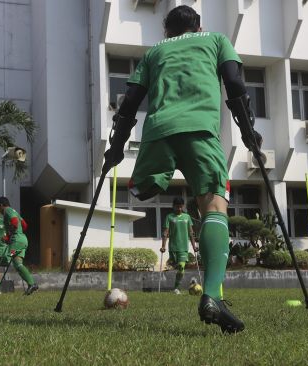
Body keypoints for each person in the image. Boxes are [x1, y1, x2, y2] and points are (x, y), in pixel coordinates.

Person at [103, 5, 259, 333]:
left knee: (148, 184)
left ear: (166, 31)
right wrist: (248, 131)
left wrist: (116, 148)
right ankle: (213, 295)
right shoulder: (216, 40)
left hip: (157, 135)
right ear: (198, 25)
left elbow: (129, 102)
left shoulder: (155, 51)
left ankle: (147, 182)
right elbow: (233, 82)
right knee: (214, 205)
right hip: (199, 131)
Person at [0, 197, 38, 296]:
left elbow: (14, 222)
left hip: (17, 241)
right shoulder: (15, 211)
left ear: (1, 205)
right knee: (18, 264)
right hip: (23, 240)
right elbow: (24, 225)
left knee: (7, 257)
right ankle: (31, 284)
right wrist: (14, 234)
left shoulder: (8, 211)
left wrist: (9, 236)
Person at [161, 197, 197, 294]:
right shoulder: (169, 217)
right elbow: (165, 233)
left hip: (183, 247)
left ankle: (176, 288)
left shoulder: (187, 217)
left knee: (181, 267)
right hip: (173, 247)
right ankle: (190, 281)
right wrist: (163, 246)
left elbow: (191, 233)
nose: (179, 209)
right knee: (177, 266)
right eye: (177, 207)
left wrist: (194, 246)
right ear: (173, 206)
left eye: (181, 207)